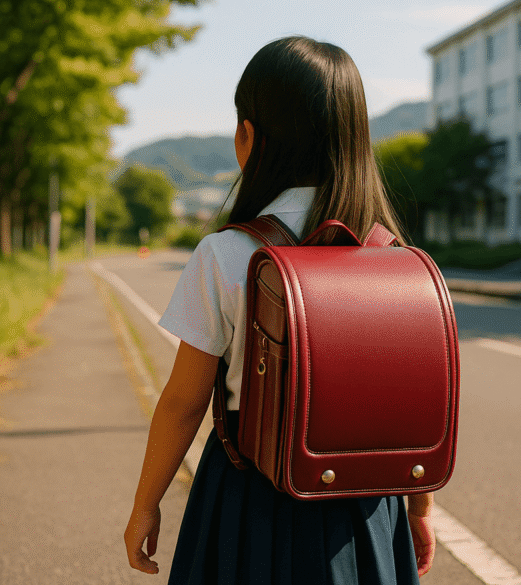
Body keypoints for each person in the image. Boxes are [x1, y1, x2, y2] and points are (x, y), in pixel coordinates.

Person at [123, 36, 437, 584]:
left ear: (249, 135)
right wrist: (418, 510)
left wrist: (145, 505)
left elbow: (183, 401)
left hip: (250, 496)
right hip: (365, 503)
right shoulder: (394, 259)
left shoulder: (225, 253)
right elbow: (411, 409)